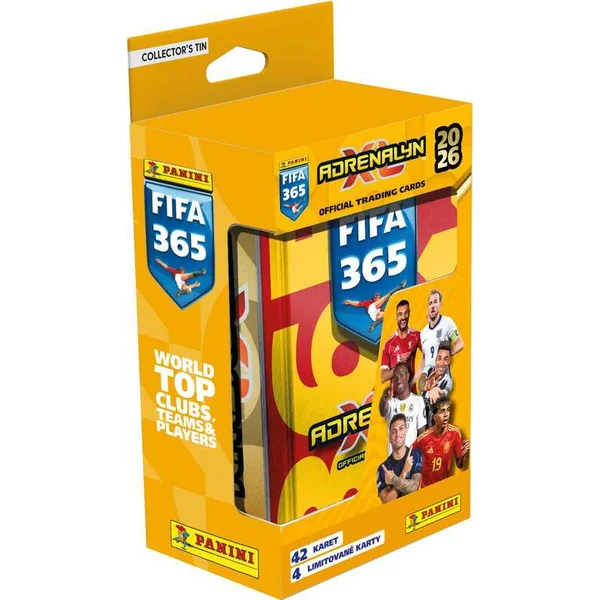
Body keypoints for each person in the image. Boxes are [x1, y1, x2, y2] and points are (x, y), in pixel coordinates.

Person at [413, 398, 469, 488]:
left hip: (443, 488)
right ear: (434, 417)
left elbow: (460, 465)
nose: (446, 414)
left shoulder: (455, 433)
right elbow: (408, 457)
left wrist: (463, 455)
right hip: (425, 489)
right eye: (442, 411)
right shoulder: (423, 438)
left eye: (448, 410)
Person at [416, 289, 464, 379]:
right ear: (428, 308)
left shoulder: (447, 322)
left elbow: (460, 344)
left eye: (435, 302)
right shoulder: (423, 333)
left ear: (440, 305)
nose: (432, 306)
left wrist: (445, 357)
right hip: (428, 381)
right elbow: (424, 358)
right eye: (430, 303)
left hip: (442, 378)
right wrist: (413, 381)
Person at [379, 362, 426, 448]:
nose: (398, 379)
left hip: (411, 455)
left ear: (407, 376)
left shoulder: (418, 401)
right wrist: (384, 397)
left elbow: (422, 432)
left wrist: (419, 454)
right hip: (393, 456)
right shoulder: (391, 403)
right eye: (395, 377)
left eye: (401, 374)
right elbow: (382, 412)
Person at [377, 413, 422, 503]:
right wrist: (404, 473)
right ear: (389, 438)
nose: (397, 434)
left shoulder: (415, 454)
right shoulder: (383, 468)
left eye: (401, 429)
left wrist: (393, 480)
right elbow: (386, 502)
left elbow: (415, 487)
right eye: (394, 431)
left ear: (405, 431)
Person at [380, 299, 422, 384]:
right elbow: (383, 377)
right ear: (396, 317)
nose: (403, 317)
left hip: (410, 389)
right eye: (400, 314)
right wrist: (399, 366)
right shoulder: (388, 344)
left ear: (409, 313)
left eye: (405, 313)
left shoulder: (416, 335)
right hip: (395, 391)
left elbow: (429, 356)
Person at [419, 340, 453, 424]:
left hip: (432, 419)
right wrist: (427, 387)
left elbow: (441, 397)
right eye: (439, 358)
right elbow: (420, 384)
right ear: (435, 359)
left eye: (445, 359)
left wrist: (435, 390)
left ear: (449, 361)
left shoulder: (448, 381)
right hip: (420, 413)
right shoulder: (429, 368)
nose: (442, 363)